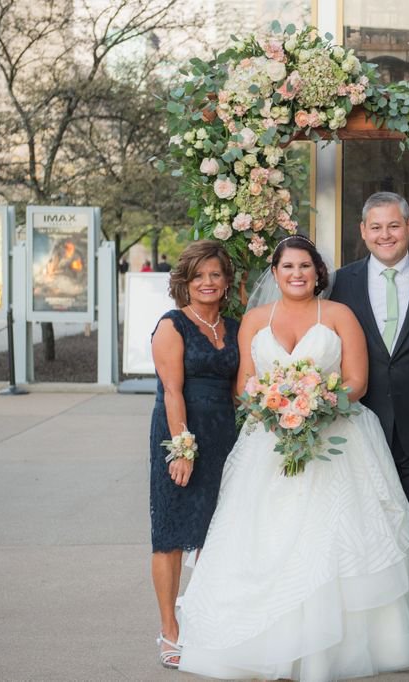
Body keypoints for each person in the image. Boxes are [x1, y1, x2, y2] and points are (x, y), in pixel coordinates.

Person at [176, 235, 409, 680]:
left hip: (336, 437)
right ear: (275, 272)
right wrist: (277, 405)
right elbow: (244, 387)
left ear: (317, 272)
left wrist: (315, 405)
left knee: (330, 538)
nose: (296, 274)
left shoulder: (339, 315)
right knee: (264, 538)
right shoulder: (253, 319)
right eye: (288, 267)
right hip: (268, 439)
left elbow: (357, 382)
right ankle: (264, 644)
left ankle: (329, 651)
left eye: (305, 267)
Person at [330, 191, 409, 644]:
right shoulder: (340, 282)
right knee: (366, 523)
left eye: (394, 226)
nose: (386, 235)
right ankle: (371, 619)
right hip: (358, 423)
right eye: (376, 227)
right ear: (363, 232)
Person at [148, 240, 240, 669]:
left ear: (226, 282)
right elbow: (171, 391)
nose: (208, 282)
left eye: (215, 275)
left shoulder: (236, 327)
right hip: (181, 430)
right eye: (199, 275)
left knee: (215, 535)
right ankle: (170, 629)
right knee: (171, 532)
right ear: (185, 282)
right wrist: (181, 448)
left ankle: (203, 621)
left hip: (226, 433)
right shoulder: (173, 325)